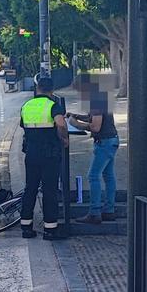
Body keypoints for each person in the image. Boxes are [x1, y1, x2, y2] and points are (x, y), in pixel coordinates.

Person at [19, 76, 69, 240]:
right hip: (49, 154)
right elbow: (61, 124)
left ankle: (26, 227)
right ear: (52, 91)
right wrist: (64, 139)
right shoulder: (53, 106)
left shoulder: (26, 106)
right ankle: (50, 229)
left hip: (31, 153)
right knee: (49, 190)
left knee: (30, 189)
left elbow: (23, 126)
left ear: (37, 89)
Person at [69, 93, 119, 225]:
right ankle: (109, 210)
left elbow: (95, 126)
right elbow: (94, 118)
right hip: (111, 140)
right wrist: (78, 116)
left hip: (104, 142)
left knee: (93, 176)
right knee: (108, 176)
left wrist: (76, 123)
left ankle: (94, 213)